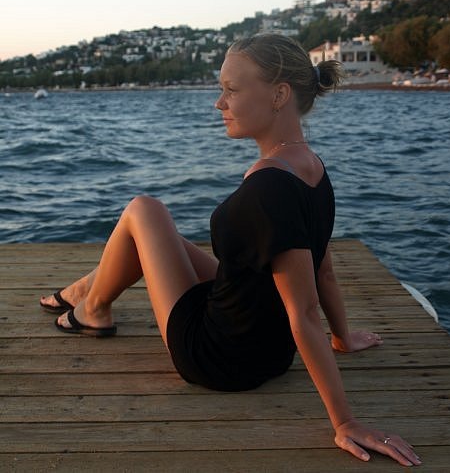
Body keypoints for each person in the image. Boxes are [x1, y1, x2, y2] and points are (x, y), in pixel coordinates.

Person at [40, 33, 421, 467]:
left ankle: (94, 308)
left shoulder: (267, 187)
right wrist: (342, 338)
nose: (219, 103)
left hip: (218, 355)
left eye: (232, 90)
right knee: (159, 235)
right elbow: (324, 271)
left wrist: (345, 422)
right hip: (270, 349)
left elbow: (303, 310)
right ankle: (86, 289)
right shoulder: (311, 168)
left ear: (279, 95)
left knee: (144, 209)